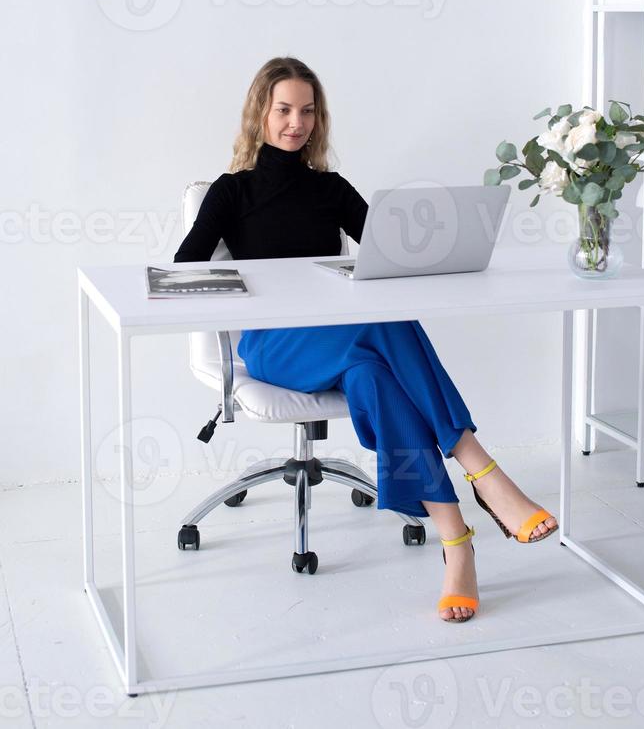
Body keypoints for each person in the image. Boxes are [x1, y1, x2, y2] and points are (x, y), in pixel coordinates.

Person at [174, 56, 558, 623]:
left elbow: (390, 252)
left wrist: (443, 249)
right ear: (260, 113)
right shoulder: (231, 192)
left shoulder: (331, 189)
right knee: (387, 324)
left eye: (307, 111)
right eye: (283, 110)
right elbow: (185, 267)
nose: (295, 123)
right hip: (273, 345)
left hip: (343, 341)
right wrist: (256, 287)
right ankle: (482, 470)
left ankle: (457, 542)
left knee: (374, 373)